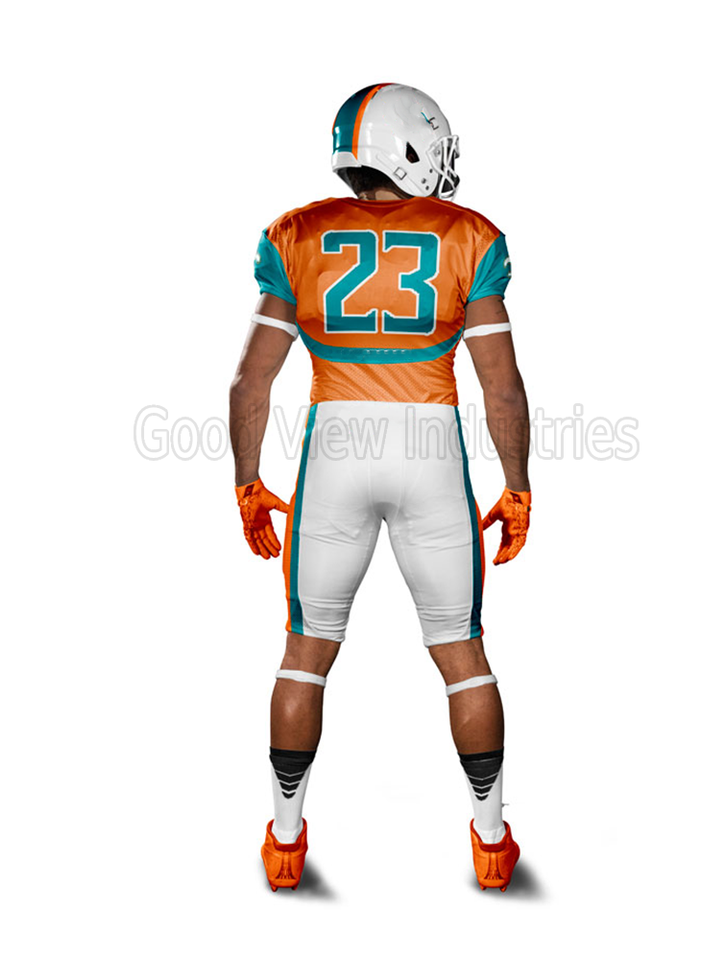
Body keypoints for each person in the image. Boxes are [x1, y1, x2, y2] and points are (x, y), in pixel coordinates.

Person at [229, 83, 531, 892]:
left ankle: (284, 843)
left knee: (304, 655)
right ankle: (491, 842)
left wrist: (248, 481)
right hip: (429, 447)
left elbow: (250, 382)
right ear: (413, 150)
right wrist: (518, 484)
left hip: (335, 449)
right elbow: (501, 387)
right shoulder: (470, 237)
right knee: (463, 655)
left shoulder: (296, 234)